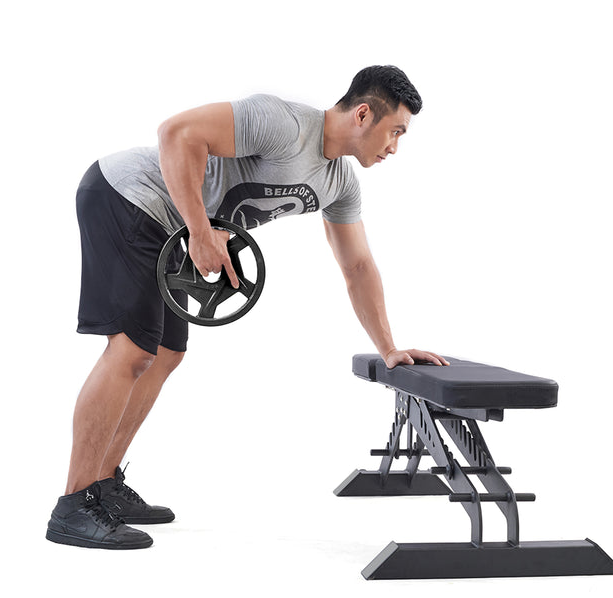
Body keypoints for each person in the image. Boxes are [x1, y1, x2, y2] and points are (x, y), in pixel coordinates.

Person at [45, 65, 450, 550]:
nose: (395, 148)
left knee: (167, 352)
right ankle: (73, 504)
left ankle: (103, 484)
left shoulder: (339, 183)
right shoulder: (285, 124)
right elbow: (176, 133)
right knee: (132, 351)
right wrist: (199, 229)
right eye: (395, 132)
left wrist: (389, 349)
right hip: (127, 195)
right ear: (364, 113)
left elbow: (358, 266)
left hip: (171, 230)